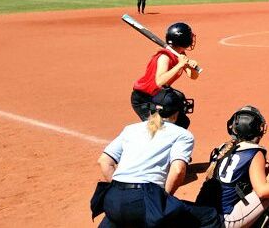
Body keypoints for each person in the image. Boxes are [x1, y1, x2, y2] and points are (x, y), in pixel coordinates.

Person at [92, 87, 221, 228]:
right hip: (145, 199)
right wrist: (162, 198)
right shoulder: (182, 134)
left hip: (113, 199)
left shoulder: (131, 129)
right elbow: (178, 170)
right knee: (209, 217)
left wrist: (124, 190)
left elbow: (104, 161)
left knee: (120, 220)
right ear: (176, 113)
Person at [200, 105, 269, 228]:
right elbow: (262, 191)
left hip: (202, 216)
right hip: (223, 222)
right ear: (258, 129)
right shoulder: (254, 152)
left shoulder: (222, 148)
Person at [130, 22, 201, 128]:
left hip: (156, 95)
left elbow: (193, 76)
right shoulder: (165, 57)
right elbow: (159, 82)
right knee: (157, 130)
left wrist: (192, 66)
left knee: (182, 122)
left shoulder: (180, 54)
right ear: (184, 40)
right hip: (144, 98)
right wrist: (180, 64)